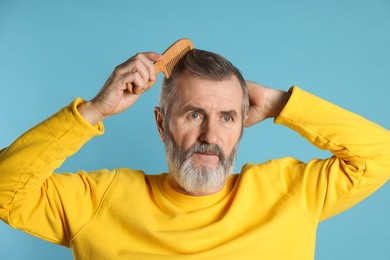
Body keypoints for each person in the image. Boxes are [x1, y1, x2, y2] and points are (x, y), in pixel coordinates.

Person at [0, 48, 389, 260]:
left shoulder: (288, 192)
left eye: (227, 117)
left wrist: (280, 103)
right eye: (194, 114)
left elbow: (381, 155)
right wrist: (94, 110)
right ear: (160, 123)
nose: (210, 135)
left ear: (242, 125)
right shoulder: (99, 200)